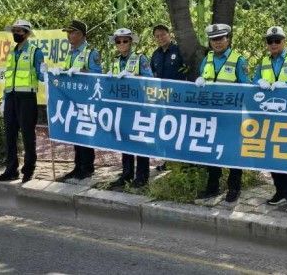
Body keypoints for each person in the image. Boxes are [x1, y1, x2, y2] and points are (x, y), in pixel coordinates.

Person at [253, 26, 287, 213]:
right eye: (270, 41)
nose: (273, 44)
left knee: (286, 153)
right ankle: (280, 191)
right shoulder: (263, 61)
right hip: (268, 114)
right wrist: (258, 82)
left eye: (277, 40)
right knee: (271, 154)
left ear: (284, 41)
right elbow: (254, 79)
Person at [194, 23, 250, 202]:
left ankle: (234, 188)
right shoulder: (207, 58)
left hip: (231, 115)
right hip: (211, 114)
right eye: (213, 40)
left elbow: (245, 87)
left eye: (220, 39)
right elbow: (203, 78)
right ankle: (212, 186)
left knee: (233, 151)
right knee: (212, 150)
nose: (217, 43)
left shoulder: (238, 60)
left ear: (227, 39)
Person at [0, 19, 45, 184]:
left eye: (19, 31)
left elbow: (41, 76)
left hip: (27, 98)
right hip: (11, 97)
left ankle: (28, 170)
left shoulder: (35, 52)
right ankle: (11, 170)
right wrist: (4, 98)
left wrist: (48, 73)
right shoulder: (11, 52)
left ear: (27, 33)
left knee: (28, 135)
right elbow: (9, 77)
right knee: (9, 135)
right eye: (14, 31)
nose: (15, 34)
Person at [53, 20, 102, 181]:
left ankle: (87, 167)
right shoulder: (71, 53)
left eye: (72, 32)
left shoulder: (91, 52)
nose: (69, 35)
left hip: (86, 99)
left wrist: (81, 70)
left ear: (81, 34)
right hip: (71, 100)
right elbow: (68, 73)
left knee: (85, 132)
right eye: (68, 32)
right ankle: (77, 166)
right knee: (75, 133)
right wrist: (61, 72)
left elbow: (97, 75)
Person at [107, 28, 154, 189]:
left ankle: (142, 176)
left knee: (140, 141)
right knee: (124, 141)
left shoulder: (140, 58)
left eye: (125, 40)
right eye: (118, 41)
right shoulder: (114, 61)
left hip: (139, 107)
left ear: (131, 42)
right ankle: (126, 174)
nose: (121, 44)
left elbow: (150, 80)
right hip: (121, 107)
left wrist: (133, 77)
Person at [150, 24, 187, 171]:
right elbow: (152, 75)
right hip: (162, 100)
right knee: (166, 130)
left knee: (180, 129)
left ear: (169, 34)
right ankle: (168, 161)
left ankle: (182, 162)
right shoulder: (155, 55)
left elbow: (186, 72)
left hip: (178, 99)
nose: (160, 38)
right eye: (157, 36)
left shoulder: (179, 51)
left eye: (163, 35)